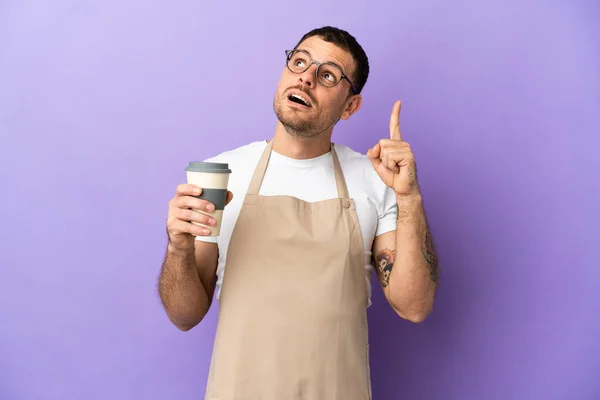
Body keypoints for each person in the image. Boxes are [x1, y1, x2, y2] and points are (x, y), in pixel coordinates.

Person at [158, 26, 439, 399]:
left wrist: (409, 198)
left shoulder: (374, 180)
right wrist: (178, 247)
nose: (306, 77)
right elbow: (184, 316)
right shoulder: (222, 175)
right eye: (299, 62)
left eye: (327, 75)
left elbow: (414, 306)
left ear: (350, 105)